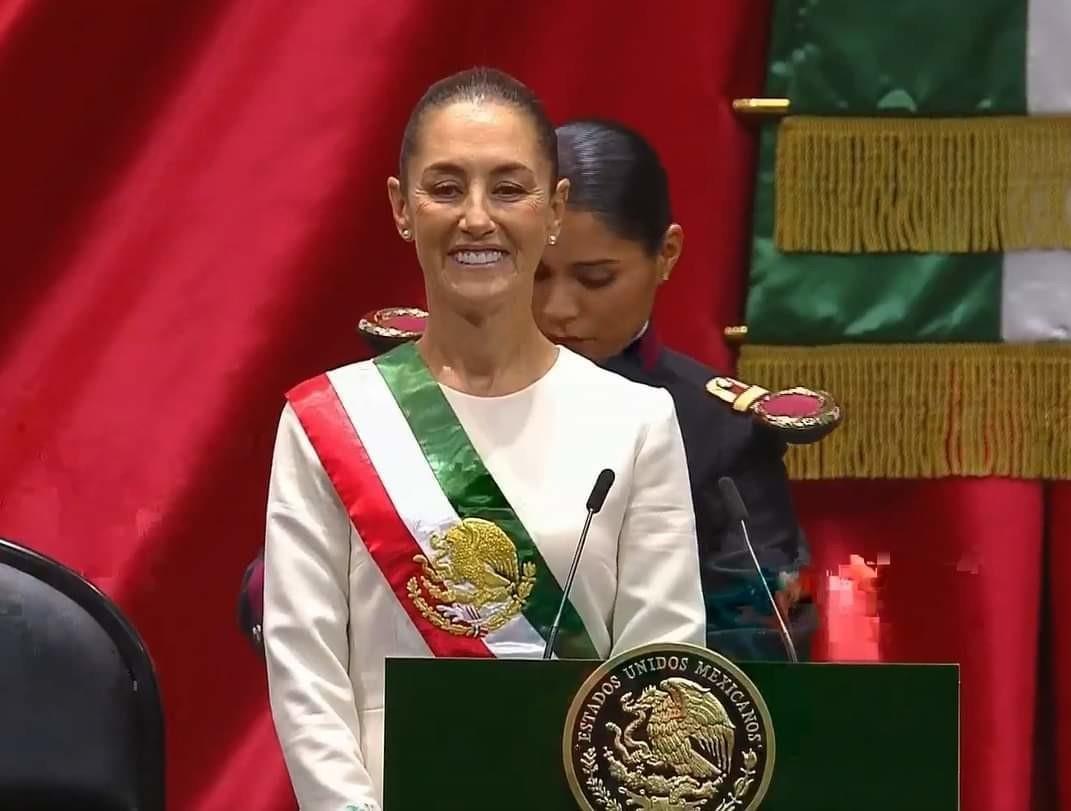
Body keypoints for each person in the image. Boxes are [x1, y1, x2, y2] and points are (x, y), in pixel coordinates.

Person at [261, 70, 705, 811]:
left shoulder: (636, 421)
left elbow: (662, 669)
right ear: (401, 208)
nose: (476, 218)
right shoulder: (328, 420)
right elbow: (307, 673)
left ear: (554, 208)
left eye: (508, 188)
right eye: (445, 187)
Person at [537, 119, 816, 661]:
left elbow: (760, 638)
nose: (558, 309)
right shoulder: (446, 400)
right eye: (535, 275)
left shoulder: (721, 429)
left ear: (666, 254)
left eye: (595, 278)